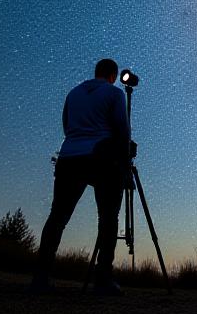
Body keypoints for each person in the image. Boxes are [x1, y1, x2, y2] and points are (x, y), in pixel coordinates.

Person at [31, 58, 132, 296]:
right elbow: (122, 131)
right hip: (101, 157)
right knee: (108, 218)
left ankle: (40, 277)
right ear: (113, 76)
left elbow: (67, 125)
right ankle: (103, 279)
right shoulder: (115, 94)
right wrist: (125, 164)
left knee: (57, 217)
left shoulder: (74, 92)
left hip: (70, 156)